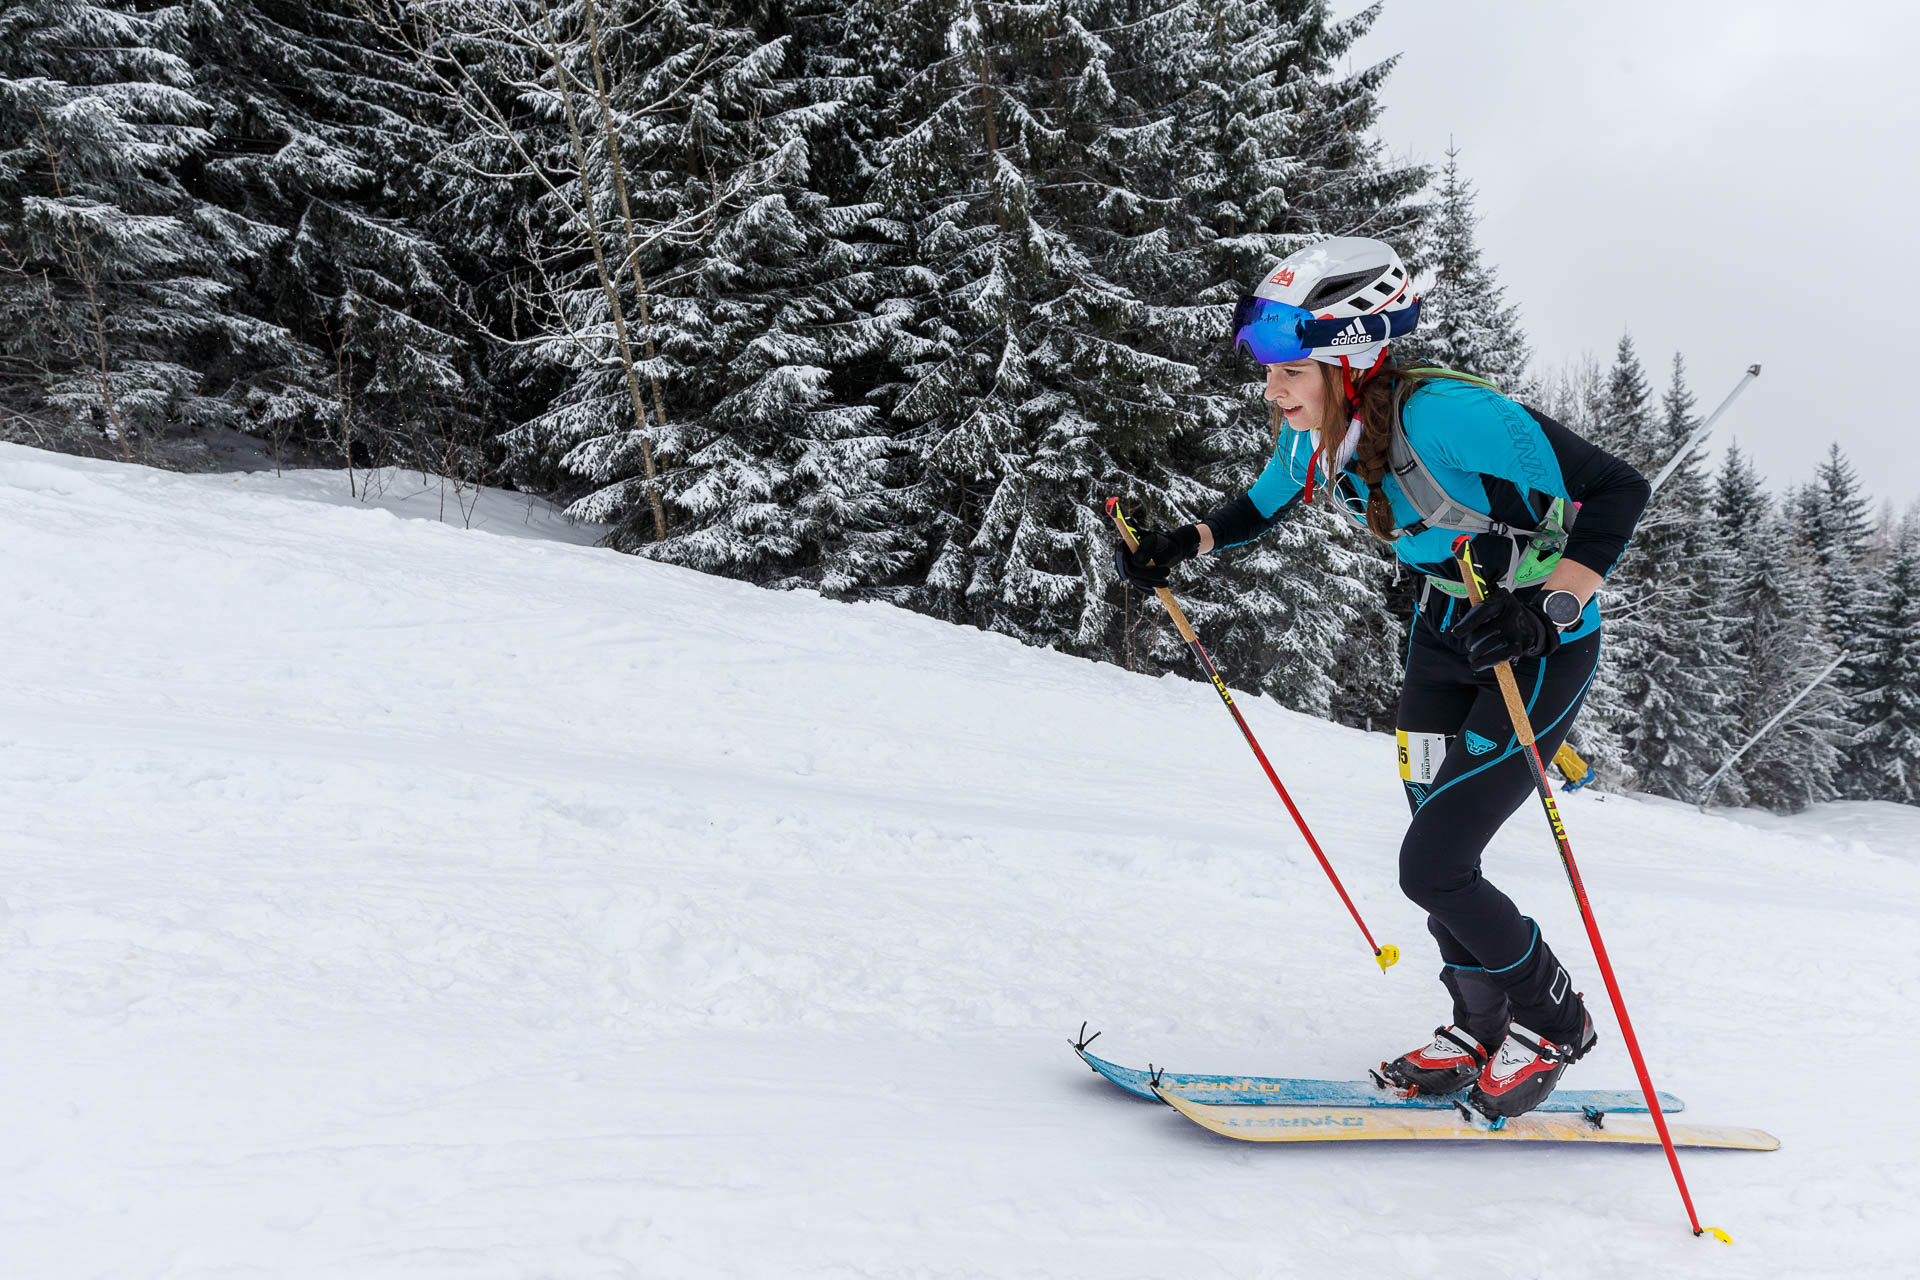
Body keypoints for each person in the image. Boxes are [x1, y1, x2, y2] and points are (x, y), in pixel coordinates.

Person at [1115, 237, 1651, 1119]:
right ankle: (1477, 1028)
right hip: (1446, 629)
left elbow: (1616, 488)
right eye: (1269, 369)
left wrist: (1547, 607)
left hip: (1534, 645)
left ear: (1351, 355)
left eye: (1289, 370)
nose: (1271, 389)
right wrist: (1186, 543)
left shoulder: (1445, 415)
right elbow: (1262, 502)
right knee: (1439, 841)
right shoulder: (1323, 430)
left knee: (1434, 866)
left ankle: (1554, 1021)